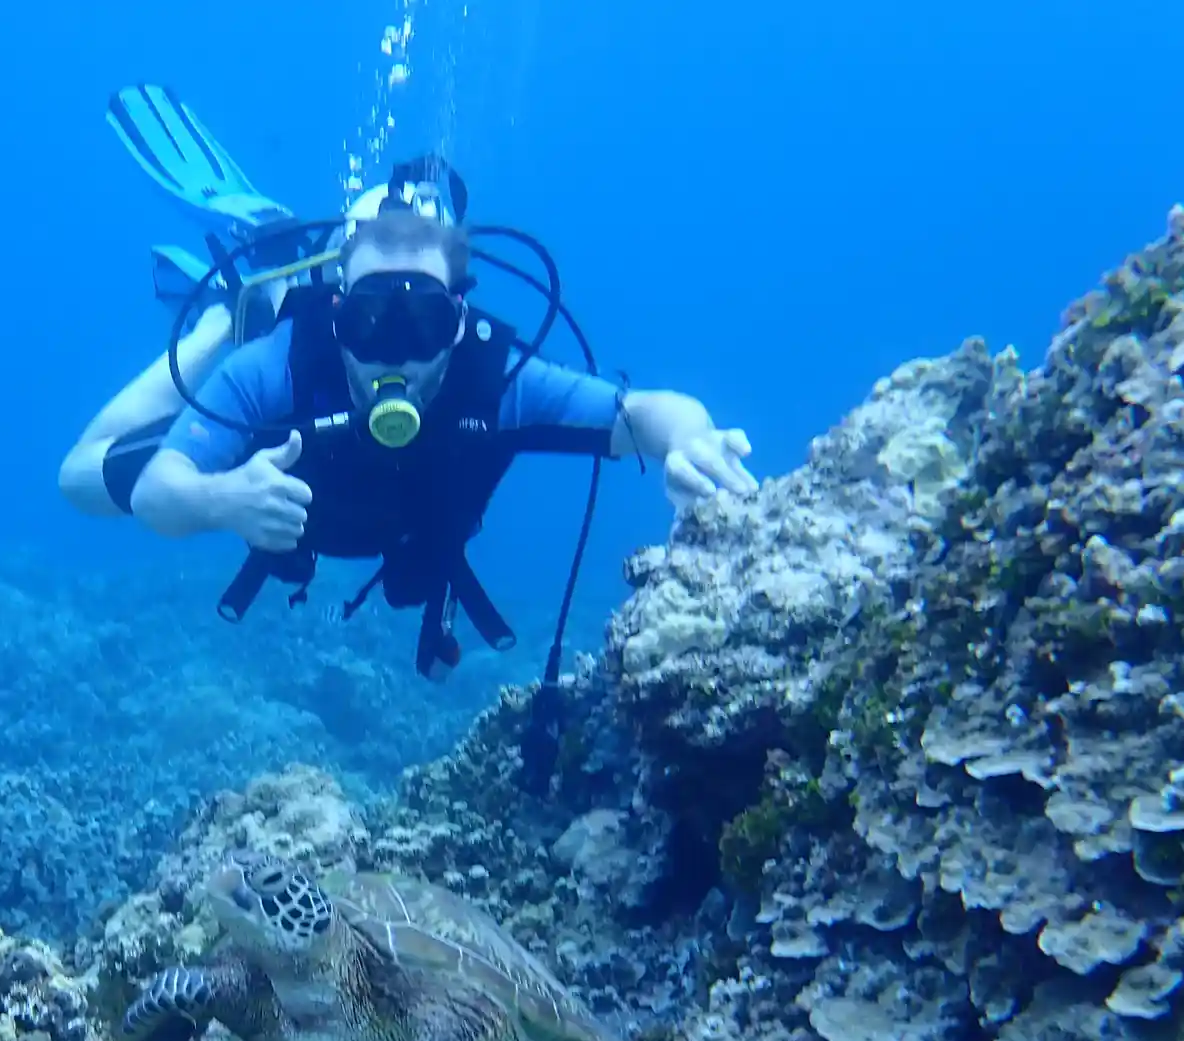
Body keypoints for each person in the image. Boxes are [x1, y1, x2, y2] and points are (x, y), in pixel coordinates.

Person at [62, 85, 759, 684]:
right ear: (336, 320)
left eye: (421, 321)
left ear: (460, 322)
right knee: (84, 482)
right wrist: (220, 499)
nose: (393, 352)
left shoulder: (499, 378)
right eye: (369, 321)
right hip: (256, 388)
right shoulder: (283, 362)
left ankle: (262, 276)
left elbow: (646, 411)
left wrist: (689, 438)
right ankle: (221, 314)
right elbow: (155, 490)